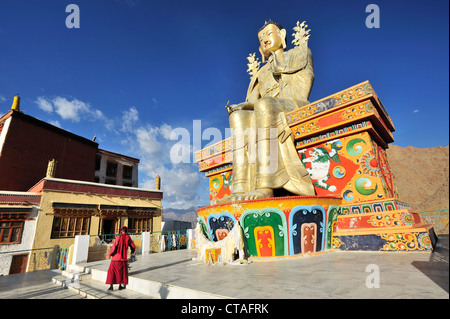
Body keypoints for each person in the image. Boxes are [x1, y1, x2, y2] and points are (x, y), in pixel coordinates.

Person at [219, 20, 315, 203]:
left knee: (265, 105)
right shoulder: (262, 73)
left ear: (283, 34)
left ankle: (265, 185)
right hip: (267, 107)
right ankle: (240, 187)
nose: (264, 40)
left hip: (294, 103)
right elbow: (252, 102)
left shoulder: (300, 53)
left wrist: (272, 57)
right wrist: (240, 107)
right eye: (261, 38)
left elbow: (295, 77)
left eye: (268, 34)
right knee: (238, 117)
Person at [106, 226, 136, 291]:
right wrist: (132, 252)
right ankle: (120, 286)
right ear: (126, 231)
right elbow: (133, 246)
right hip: (123, 259)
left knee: (112, 272)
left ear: (121, 231)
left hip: (115, 259)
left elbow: (115, 247)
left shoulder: (118, 237)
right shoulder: (128, 238)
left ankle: (111, 287)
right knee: (121, 273)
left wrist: (110, 254)